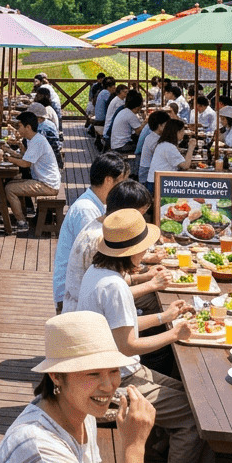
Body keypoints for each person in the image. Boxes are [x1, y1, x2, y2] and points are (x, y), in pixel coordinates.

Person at [76, 210, 216, 463]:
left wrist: (165, 317)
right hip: (116, 377)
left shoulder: (99, 273)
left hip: (114, 368)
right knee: (196, 419)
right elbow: (127, 345)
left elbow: (119, 325)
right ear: (132, 251)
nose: (148, 251)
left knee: (191, 396)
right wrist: (174, 334)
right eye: (145, 246)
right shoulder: (114, 285)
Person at [0, 311, 156, 463]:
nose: (108, 385)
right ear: (56, 376)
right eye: (93, 373)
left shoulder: (80, 411)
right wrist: (134, 446)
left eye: (114, 371)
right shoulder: (39, 446)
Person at [63, 181, 168, 315]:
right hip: (84, 312)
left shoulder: (102, 226)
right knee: (155, 301)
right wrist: (151, 284)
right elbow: (110, 291)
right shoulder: (103, 239)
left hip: (90, 300)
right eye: (139, 216)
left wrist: (145, 276)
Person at [52, 153, 126, 312]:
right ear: (108, 180)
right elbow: (96, 256)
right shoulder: (86, 210)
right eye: (121, 181)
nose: (123, 187)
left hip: (78, 288)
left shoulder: (97, 203)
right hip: (71, 296)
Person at [0, 111, 62, 233]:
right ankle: (20, 215)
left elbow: (25, 163)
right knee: (12, 183)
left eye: (19, 126)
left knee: (9, 189)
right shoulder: (33, 139)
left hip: (48, 185)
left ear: (28, 127)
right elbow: (25, 157)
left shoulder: (37, 141)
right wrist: (14, 151)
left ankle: (22, 222)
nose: (18, 129)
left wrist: (8, 158)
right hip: (46, 181)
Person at [145, 117, 195, 191]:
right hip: (157, 183)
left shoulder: (165, 144)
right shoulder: (168, 147)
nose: (184, 133)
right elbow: (185, 166)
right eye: (182, 131)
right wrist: (191, 147)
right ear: (177, 132)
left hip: (157, 181)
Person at [136, 110, 170, 186]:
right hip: (147, 174)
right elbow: (164, 157)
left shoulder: (154, 136)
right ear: (160, 126)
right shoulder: (153, 139)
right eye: (166, 125)